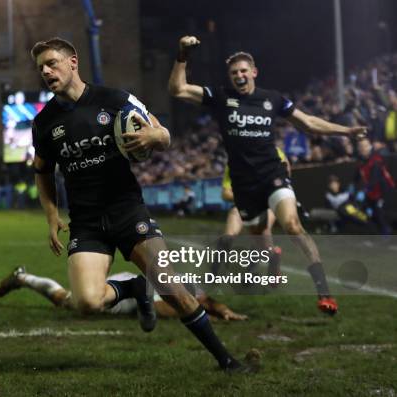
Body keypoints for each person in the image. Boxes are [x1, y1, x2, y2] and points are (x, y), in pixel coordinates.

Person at [31, 37, 251, 371]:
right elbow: (43, 172)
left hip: (126, 209)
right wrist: (51, 215)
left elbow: (164, 135)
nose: (46, 71)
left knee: (175, 291)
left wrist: (153, 136)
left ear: (73, 62)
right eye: (41, 68)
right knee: (87, 302)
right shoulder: (44, 122)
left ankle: (227, 361)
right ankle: (134, 287)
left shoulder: (113, 99)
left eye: (52, 63)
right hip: (87, 221)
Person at [168, 36, 367, 315]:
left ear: (254, 72)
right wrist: (182, 56)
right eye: (234, 72)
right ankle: (271, 259)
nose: (239, 75)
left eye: (243, 70)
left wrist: (345, 131)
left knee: (292, 225)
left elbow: (308, 122)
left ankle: (324, 292)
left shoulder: (272, 99)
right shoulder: (221, 97)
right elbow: (177, 89)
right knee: (261, 238)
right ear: (231, 76)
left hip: (272, 174)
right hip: (244, 184)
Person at [0, 267, 248, 321]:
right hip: (126, 293)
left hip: (128, 282)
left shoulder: (185, 282)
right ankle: (23, 277)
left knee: (72, 299)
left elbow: (205, 301)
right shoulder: (172, 286)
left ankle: (23, 277)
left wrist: (223, 311)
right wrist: (204, 317)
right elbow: (161, 309)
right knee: (70, 301)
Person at [212, 147, 287, 282]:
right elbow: (225, 193)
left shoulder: (276, 152)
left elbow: (285, 177)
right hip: (243, 204)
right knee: (228, 237)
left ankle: (254, 271)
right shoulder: (235, 161)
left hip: (267, 203)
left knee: (261, 232)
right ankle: (215, 271)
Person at [356, 137, 395, 235]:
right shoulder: (361, 162)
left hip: (384, 192)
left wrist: (363, 191)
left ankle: (387, 237)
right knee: (372, 216)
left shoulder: (376, 160)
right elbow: (359, 178)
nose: (363, 148)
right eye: (361, 146)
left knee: (381, 216)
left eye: (365, 146)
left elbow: (375, 179)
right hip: (372, 194)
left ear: (370, 146)